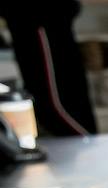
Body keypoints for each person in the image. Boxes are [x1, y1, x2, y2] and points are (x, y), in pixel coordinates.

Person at [0, 0, 96, 137]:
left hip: (38, 15)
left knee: (56, 103)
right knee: (56, 98)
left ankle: (85, 146)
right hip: (31, 16)